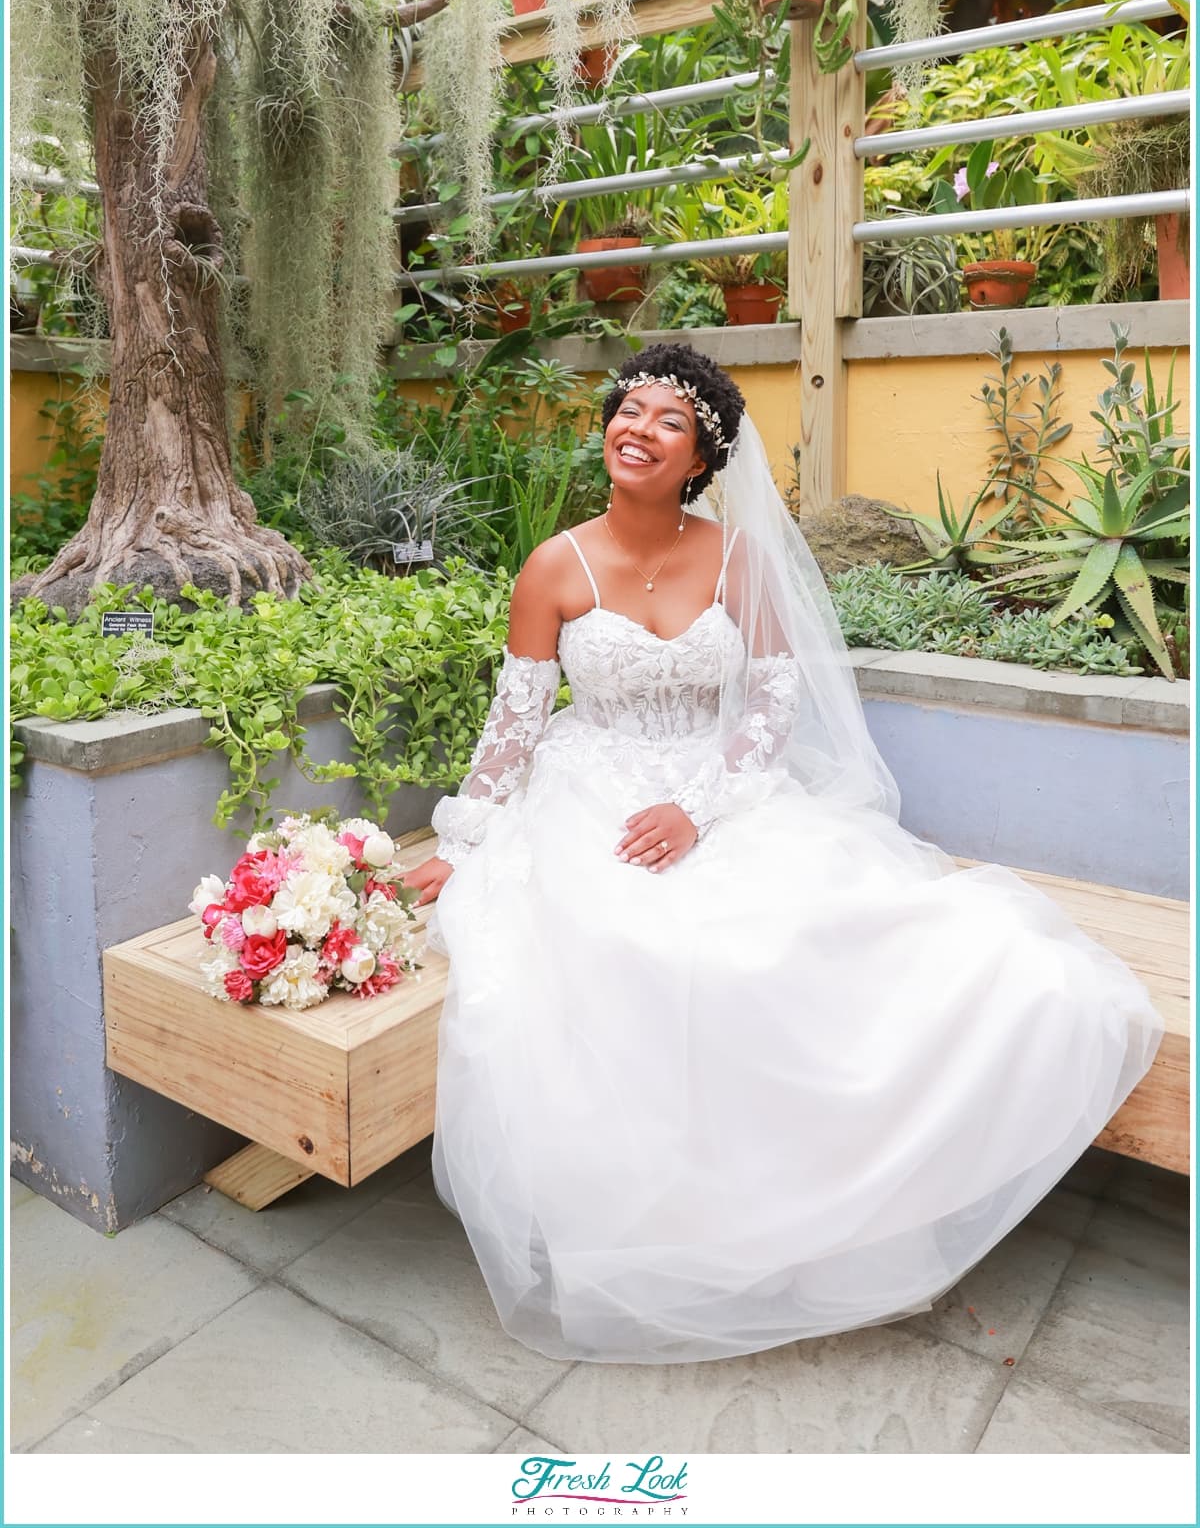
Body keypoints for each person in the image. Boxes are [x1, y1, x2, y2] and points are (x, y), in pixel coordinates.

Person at [400, 339, 1164, 1366]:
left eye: (669, 421)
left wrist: (700, 806)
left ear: (701, 458)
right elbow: (517, 722)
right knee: (643, 950)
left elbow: (767, 703)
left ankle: (843, 1191)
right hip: (588, 795)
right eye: (629, 410)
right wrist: (467, 835)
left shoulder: (739, 557)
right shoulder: (554, 566)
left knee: (825, 937)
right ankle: (678, 1212)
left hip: (716, 787)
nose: (639, 428)